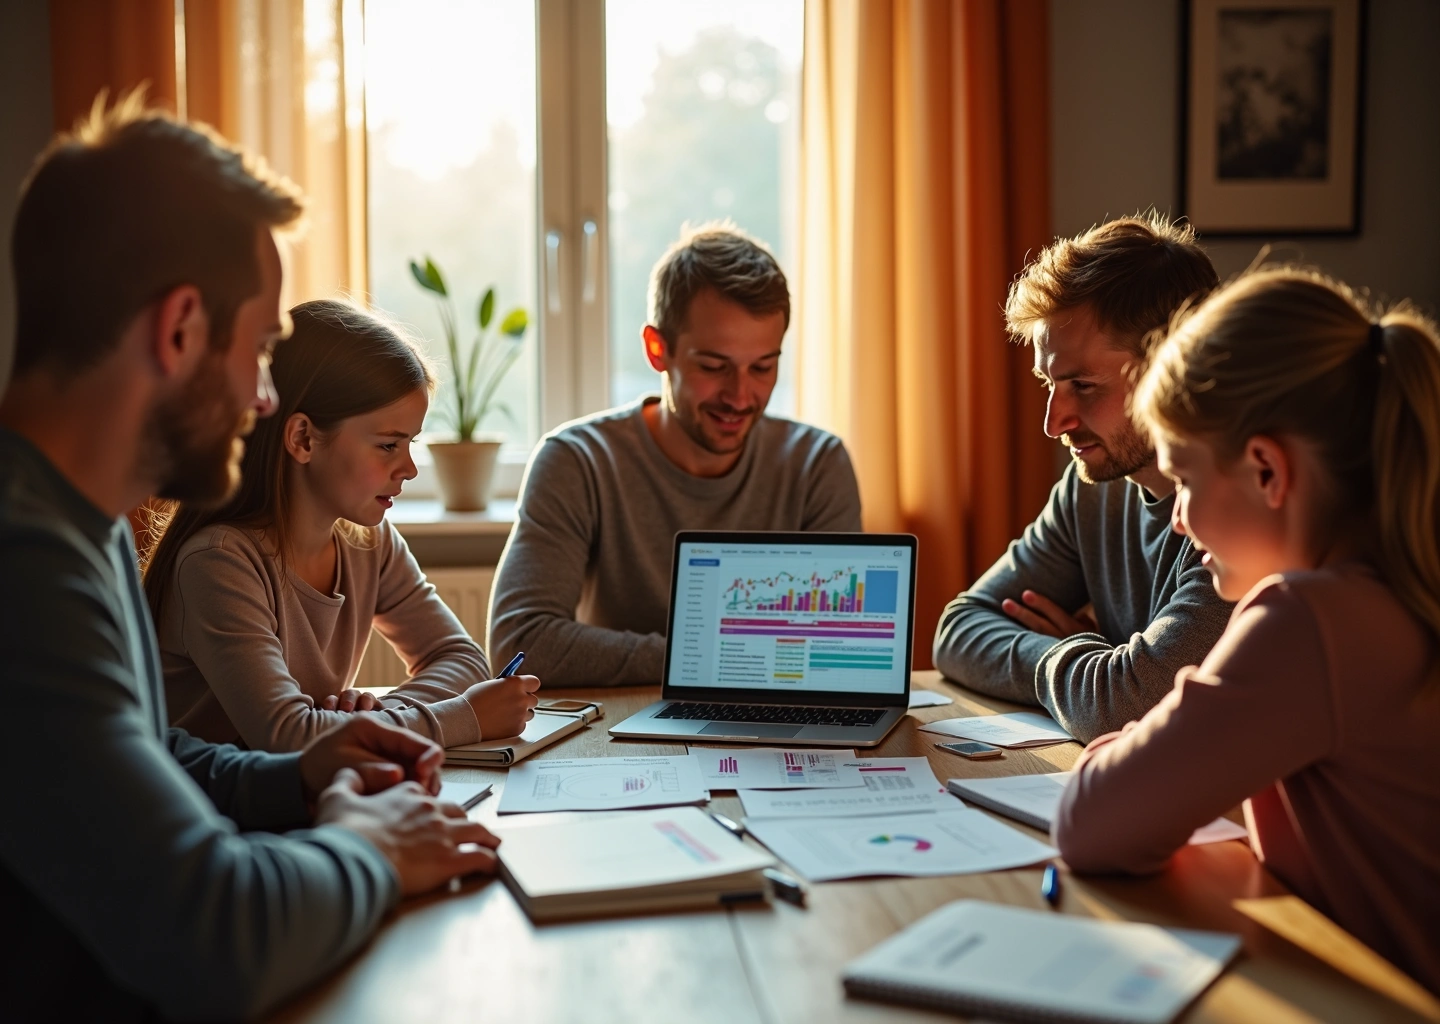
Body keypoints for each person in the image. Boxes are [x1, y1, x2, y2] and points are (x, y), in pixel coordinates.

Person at [0, 96, 500, 1020]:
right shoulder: (24, 566)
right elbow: (209, 933)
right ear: (181, 328)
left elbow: (146, 752)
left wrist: (301, 773)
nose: (268, 400)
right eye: (264, 350)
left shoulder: (89, 521)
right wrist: (371, 848)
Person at [1055, 269, 1440, 994]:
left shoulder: (1307, 620)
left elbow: (1091, 824)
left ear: (1267, 470)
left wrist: (1124, 748)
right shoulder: (1397, 587)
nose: (1177, 517)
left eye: (1188, 482)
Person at [144, 298, 540, 752]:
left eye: (411, 443)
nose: (409, 468)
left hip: (306, 799)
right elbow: (287, 737)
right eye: (389, 445)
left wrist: (380, 720)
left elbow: (460, 657)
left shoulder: (368, 540)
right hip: (222, 812)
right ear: (303, 438)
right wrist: (463, 718)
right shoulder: (219, 563)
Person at [488, 222, 862, 687]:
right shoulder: (578, 461)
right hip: (620, 731)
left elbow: (837, 647)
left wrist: (702, 659)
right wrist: (732, 659)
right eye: (713, 366)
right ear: (656, 349)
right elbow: (521, 645)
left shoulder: (817, 465)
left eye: (763, 367)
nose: (740, 396)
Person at [932, 215, 1233, 742]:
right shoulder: (1091, 488)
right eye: (1049, 382)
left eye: (1083, 385)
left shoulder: (1240, 512)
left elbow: (1124, 705)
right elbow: (958, 629)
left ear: (1173, 366)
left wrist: (1106, 678)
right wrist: (1084, 661)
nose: (1054, 422)